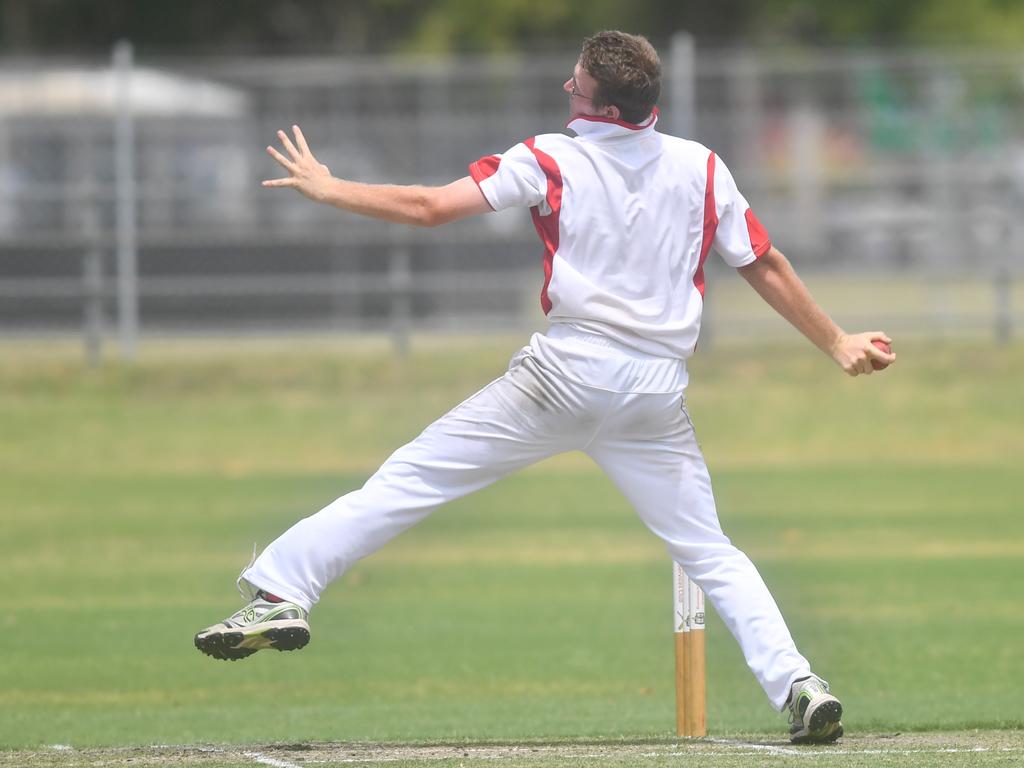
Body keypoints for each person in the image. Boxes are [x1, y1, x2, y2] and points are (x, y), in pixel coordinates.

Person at [194, 31, 895, 744]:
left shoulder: (550, 156)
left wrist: (330, 186)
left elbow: (431, 208)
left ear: (607, 104)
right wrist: (836, 340)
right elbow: (763, 262)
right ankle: (799, 686)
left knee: (410, 479)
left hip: (564, 376)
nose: (568, 89)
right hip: (652, 396)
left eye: (578, 84)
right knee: (709, 550)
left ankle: (282, 592)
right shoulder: (702, 166)